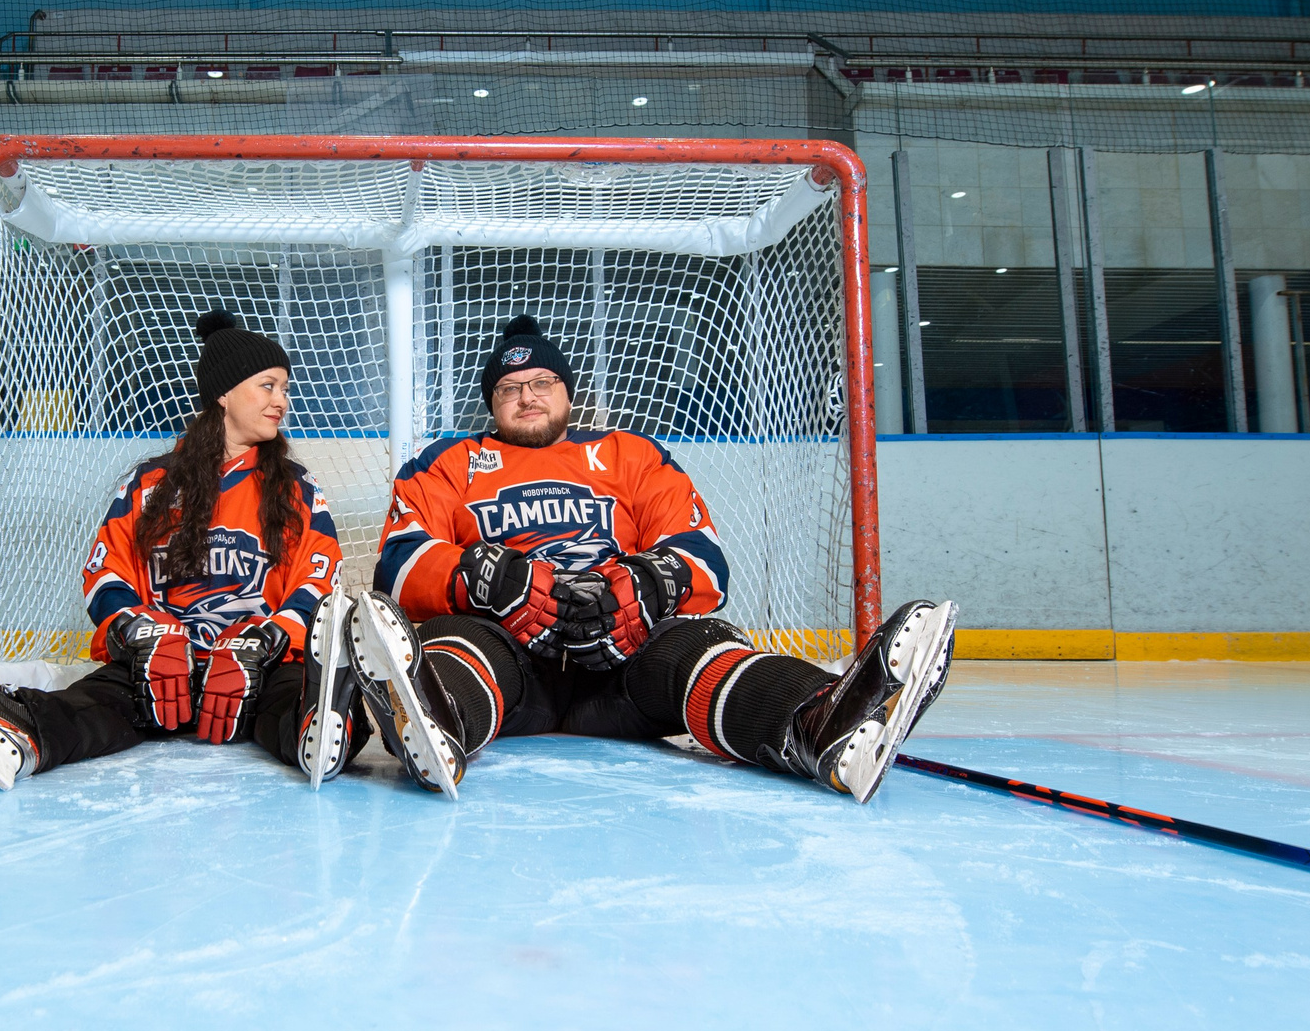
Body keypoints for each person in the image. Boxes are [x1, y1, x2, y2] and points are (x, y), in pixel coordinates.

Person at [323, 314, 957, 803]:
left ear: (566, 391)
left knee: (696, 645)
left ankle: (822, 727)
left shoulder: (631, 454)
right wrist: (482, 577)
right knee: (457, 639)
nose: (527, 396)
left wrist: (652, 581)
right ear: (492, 403)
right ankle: (434, 726)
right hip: (508, 653)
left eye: (542, 383)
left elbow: (704, 559)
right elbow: (398, 565)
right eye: (509, 388)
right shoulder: (446, 462)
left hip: (621, 664)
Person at [0, 309, 365, 789]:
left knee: (290, 701)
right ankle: (18, 733)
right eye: (268, 386)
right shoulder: (150, 483)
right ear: (224, 393)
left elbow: (319, 577)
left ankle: (324, 730)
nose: (282, 401)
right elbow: (105, 572)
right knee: (94, 705)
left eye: (284, 389)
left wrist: (265, 640)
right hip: (159, 671)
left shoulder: (296, 488)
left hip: (258, 670)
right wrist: (143, 634)